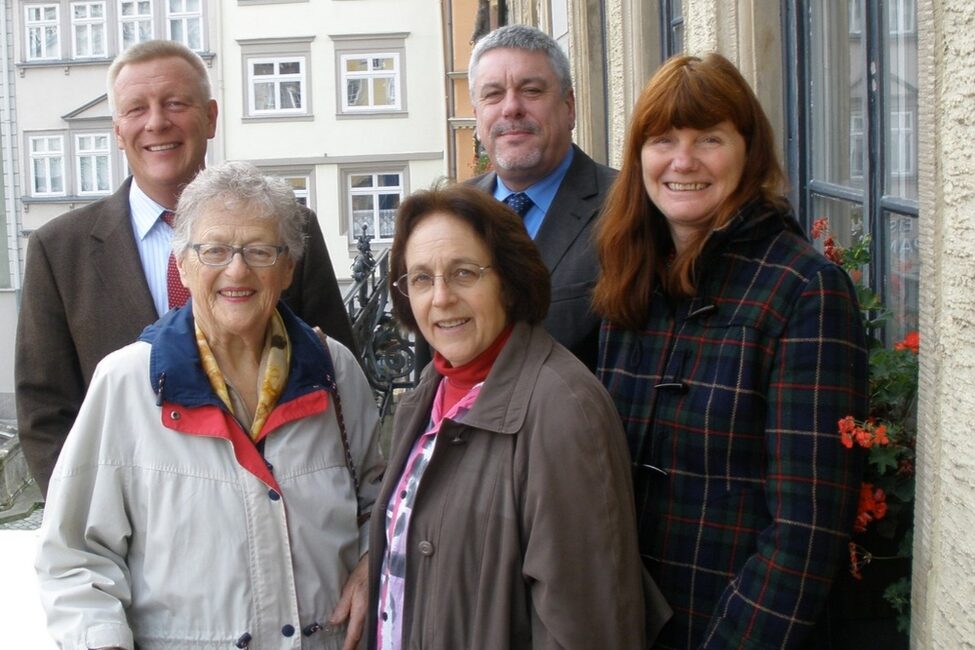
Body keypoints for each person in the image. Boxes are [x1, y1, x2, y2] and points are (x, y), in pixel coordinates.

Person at [35, 161, 384, 650]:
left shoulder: (334, 370)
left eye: (259, 250)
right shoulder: (127, 382)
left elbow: (380, 502)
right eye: (214, 250)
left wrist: (372, 563)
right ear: (182, 264)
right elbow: (75, 556)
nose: (236, 270)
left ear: (288, 269)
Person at [594, 53, 869, 649]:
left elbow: (805, 533)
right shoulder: (631, 279)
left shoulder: (804, 291)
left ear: (749, 151)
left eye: (709, 139)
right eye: (663, 140)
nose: (683, 161)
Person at [15, 39, 355, 497]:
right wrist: (90, 515)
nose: (157, 122)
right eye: (137, 109)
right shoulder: (58, 251)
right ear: (118, 130)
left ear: (211, 118)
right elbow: (45, 411)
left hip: (278, 505)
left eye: (176, 103)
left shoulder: (290, 227)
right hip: (131, 519)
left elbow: (336, 376)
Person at [366, 184, 668, 650]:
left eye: (464, 273)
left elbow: (586, 627)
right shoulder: (429, 391)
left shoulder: (563, 410)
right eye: (421, 278)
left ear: (508, 281)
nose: (441, 297)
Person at [420, 24, 613, 374]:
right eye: (493, 94)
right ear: (477, 116)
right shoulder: (448, 215)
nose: (511, 108)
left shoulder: (626, 206)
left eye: (531, 90)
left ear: (569, 107)